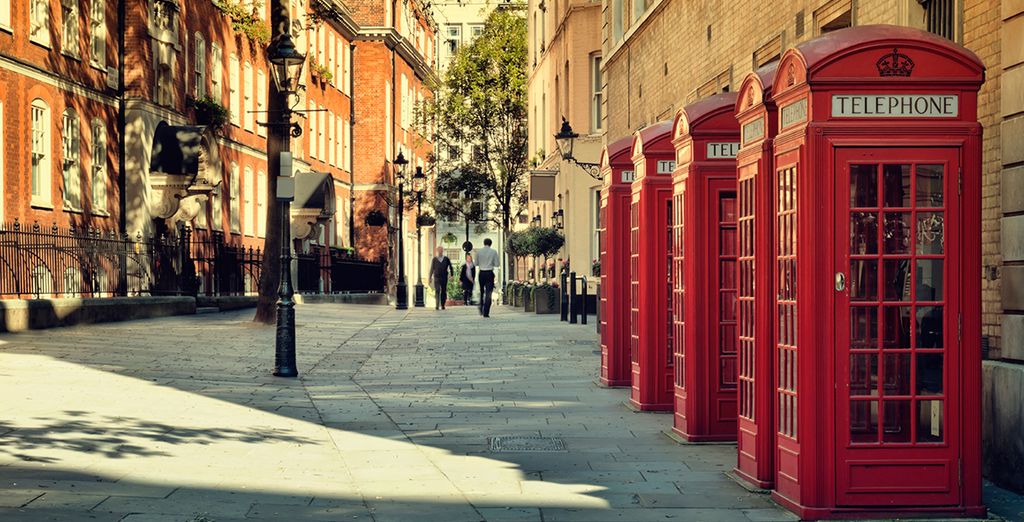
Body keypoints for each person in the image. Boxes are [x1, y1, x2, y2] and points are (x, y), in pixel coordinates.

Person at [475, 238, 500, 317]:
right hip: (489, 273)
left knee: (482, 292)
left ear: (484, 243)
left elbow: (476, 263)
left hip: (481, 273)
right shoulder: (494, 252)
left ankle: (481, 306)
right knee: (489, 293)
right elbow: (497, 264)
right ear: (491, 244)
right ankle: (486, 312)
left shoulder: (479, 252)